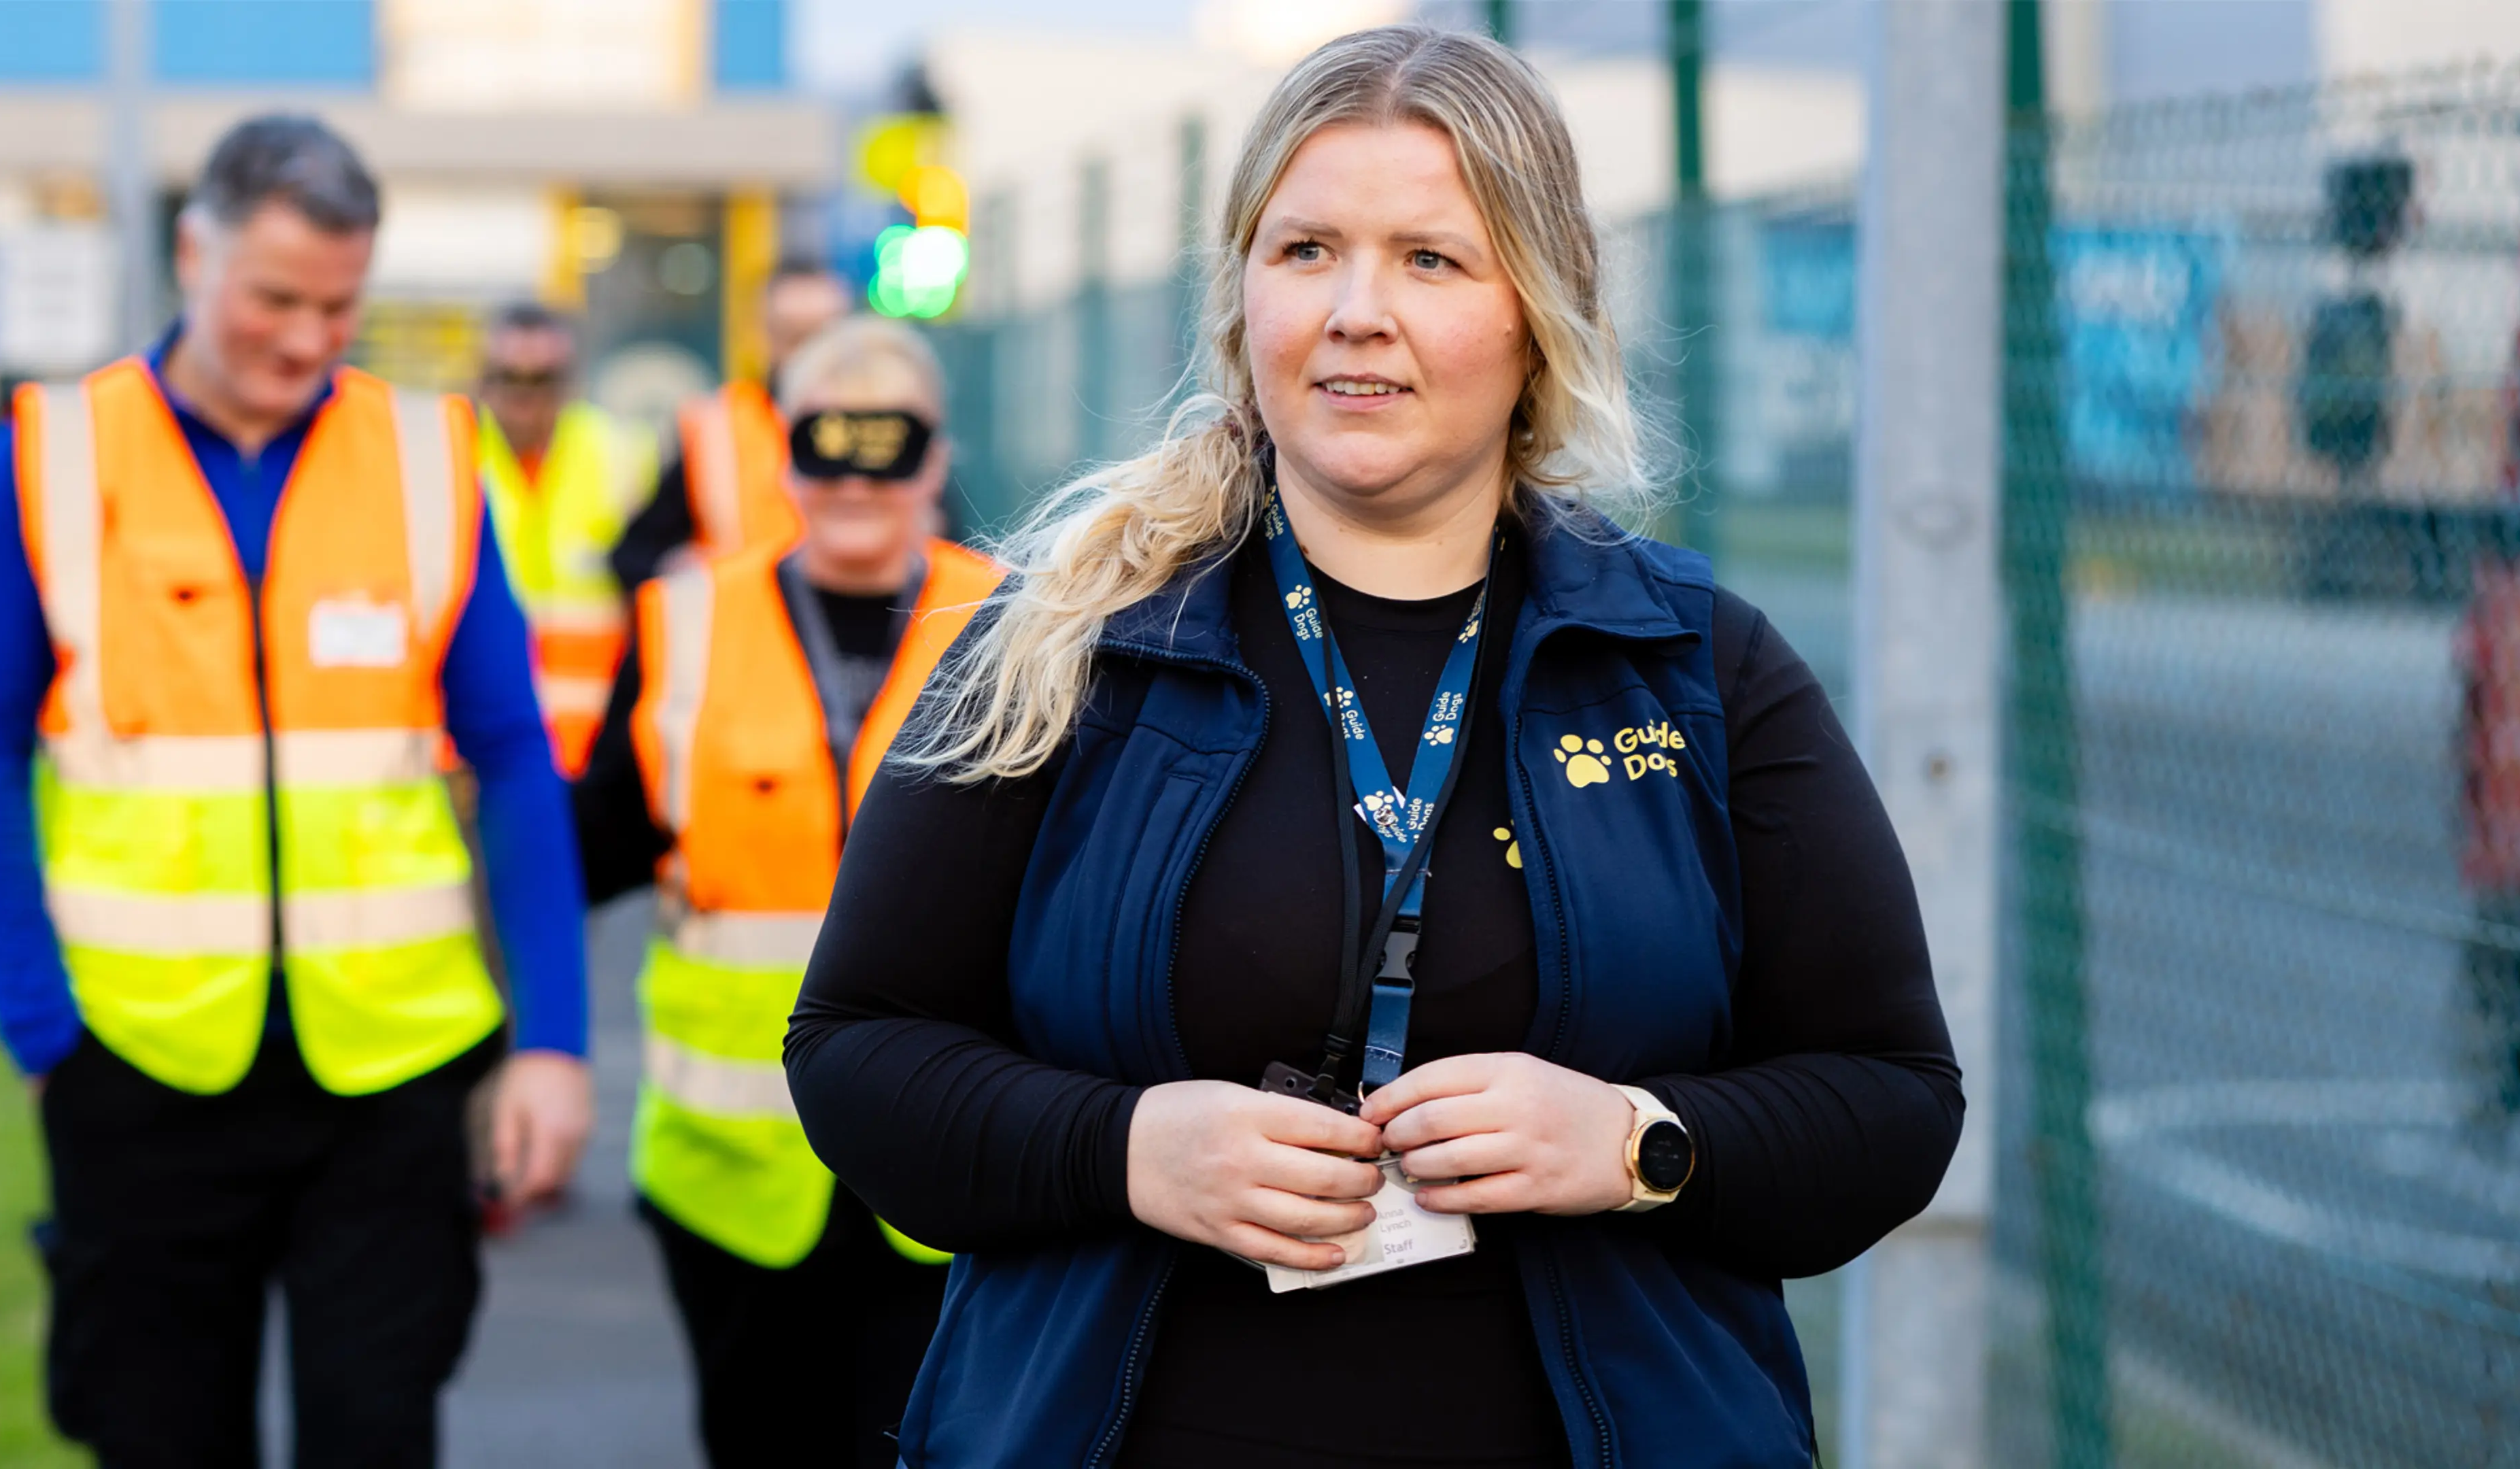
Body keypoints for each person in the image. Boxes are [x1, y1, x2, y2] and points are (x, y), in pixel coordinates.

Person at [785, 27, 1962, 1469]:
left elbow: (1893, 1099)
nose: (1357, 313)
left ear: (1540, 312)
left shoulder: (1697, 667)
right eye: (1306, 252)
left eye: (1431, 260)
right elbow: (857, 1050)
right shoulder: (1066, 643)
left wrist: (1634, 1142)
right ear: (1243, 299)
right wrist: (1129, 1150)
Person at [0, 115, 594, 1468]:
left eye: (339, 307)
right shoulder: (54, 456)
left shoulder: (424, 458)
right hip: (138, 1067)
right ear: (195, 252)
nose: (307, 340)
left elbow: (515, 753)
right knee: (159, 1438)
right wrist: (42, 1035)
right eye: (275, 298)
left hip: (395, 1073)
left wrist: (555, 1041)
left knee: (377, 1433)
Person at [573, 316, 1000, 1468]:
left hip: (951, 1159)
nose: (857, 482)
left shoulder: (1022, 622)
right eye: (827, 444)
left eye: (887, 446)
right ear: (783, 457)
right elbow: (594, 844)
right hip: (731, 1173)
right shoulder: (685, 623)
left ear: (935, 460)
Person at [473, 300, 657, 775]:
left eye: (543, 380)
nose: (524, 396)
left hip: (599, 752)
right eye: (508, 378)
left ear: (571, 383)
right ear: (482, 382)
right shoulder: (454, 462)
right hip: (484, 752)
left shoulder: (624, 455)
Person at [608, 257, 853, 588]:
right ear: (763, 334)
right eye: (792, 335)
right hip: (743, 616)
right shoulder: (718, 425)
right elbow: (635, 554)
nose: (807, 355)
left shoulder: (881, 429)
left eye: (820, 337)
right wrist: (681, 570)